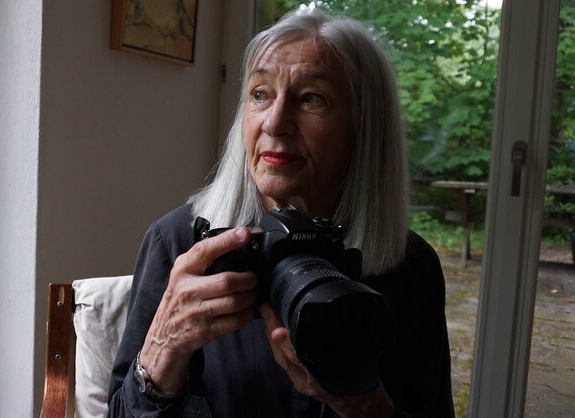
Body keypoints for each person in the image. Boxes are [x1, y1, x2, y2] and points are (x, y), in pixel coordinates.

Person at [107, 8, 454, 418]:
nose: (275, 122)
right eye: (260, 94)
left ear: (363, 128)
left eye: (311, 98)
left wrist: (368, 408)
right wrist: (164, 350)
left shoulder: (409, 267)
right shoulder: (182, 242)